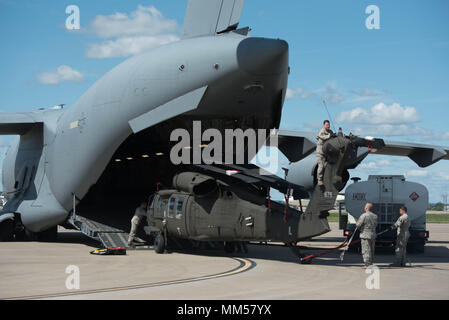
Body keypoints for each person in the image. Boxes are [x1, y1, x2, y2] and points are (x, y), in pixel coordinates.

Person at [356, 203, 378, 268]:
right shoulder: (375, 216)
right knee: (371, 250)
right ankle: (370, 263)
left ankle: (367, 264)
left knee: (366, 250)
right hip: (373, 235)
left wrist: (361, 229)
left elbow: (358, 225)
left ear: (366, 208)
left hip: (365, 235)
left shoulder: (364, 216)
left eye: (365, 206)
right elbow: (376, 225)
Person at [316, 120, 334, 186]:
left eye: (329, 125)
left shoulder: (330, 132)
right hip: (320, 152)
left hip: (327, 152)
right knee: (321, 166)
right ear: (324, 125)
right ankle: (319, 180)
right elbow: (324, 137)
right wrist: (330, 136)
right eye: (327, 125)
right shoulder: (322, 132)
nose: (328, 126)